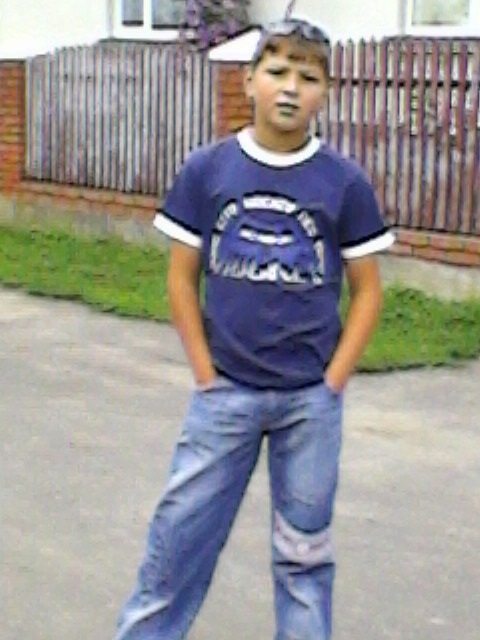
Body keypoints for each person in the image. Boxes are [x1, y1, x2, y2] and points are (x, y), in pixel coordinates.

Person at [114, 16, 394, 640]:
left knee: (303, 562)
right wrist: (205, 373)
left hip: (309, 404)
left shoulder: (344, 183)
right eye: (277, 71)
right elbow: (182, 278)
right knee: (178, 542)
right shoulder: (209, 170)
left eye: (308, 76)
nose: (291, 87)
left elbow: (368, 291)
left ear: (326, 90)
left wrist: (333, 382)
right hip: (225, 396)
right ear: (249, 81)